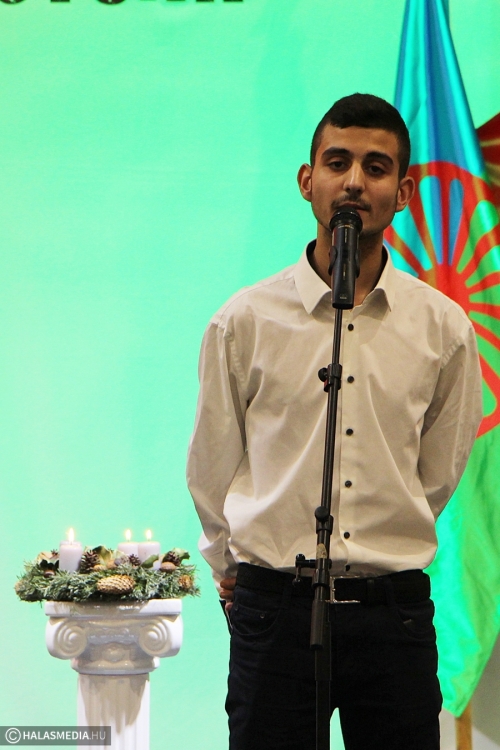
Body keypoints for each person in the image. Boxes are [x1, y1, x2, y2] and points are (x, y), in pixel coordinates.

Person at [186, 93, 483, 750]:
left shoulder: (442, 328)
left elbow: (436, 473)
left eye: (376, 168)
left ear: (402, 192)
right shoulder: (245, 321)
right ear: (307, 179)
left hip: (392, 615)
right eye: (337, 161)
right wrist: (236, 568)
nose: (354, 182)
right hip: (275, 609)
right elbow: (213, 463)